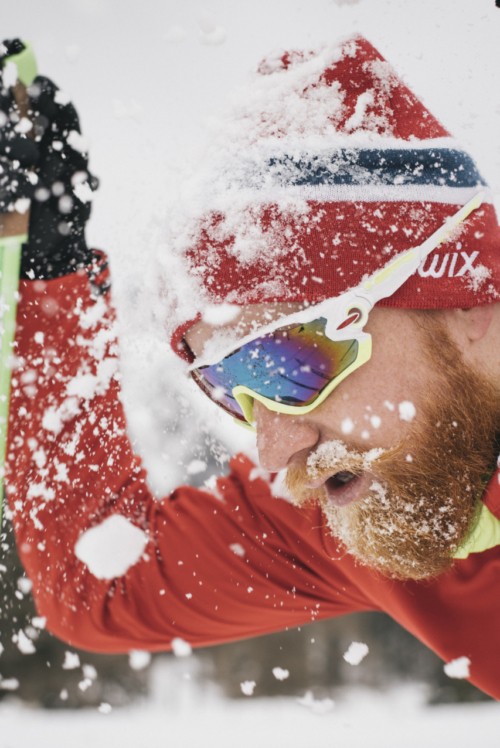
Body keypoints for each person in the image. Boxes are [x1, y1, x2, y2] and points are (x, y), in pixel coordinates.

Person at [3, 35, 500, 700]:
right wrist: (46, 269)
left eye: (283, 362)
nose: (272, 451)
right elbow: (99, 581)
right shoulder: (384, 491)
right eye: (230, 388)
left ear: (469, 303)